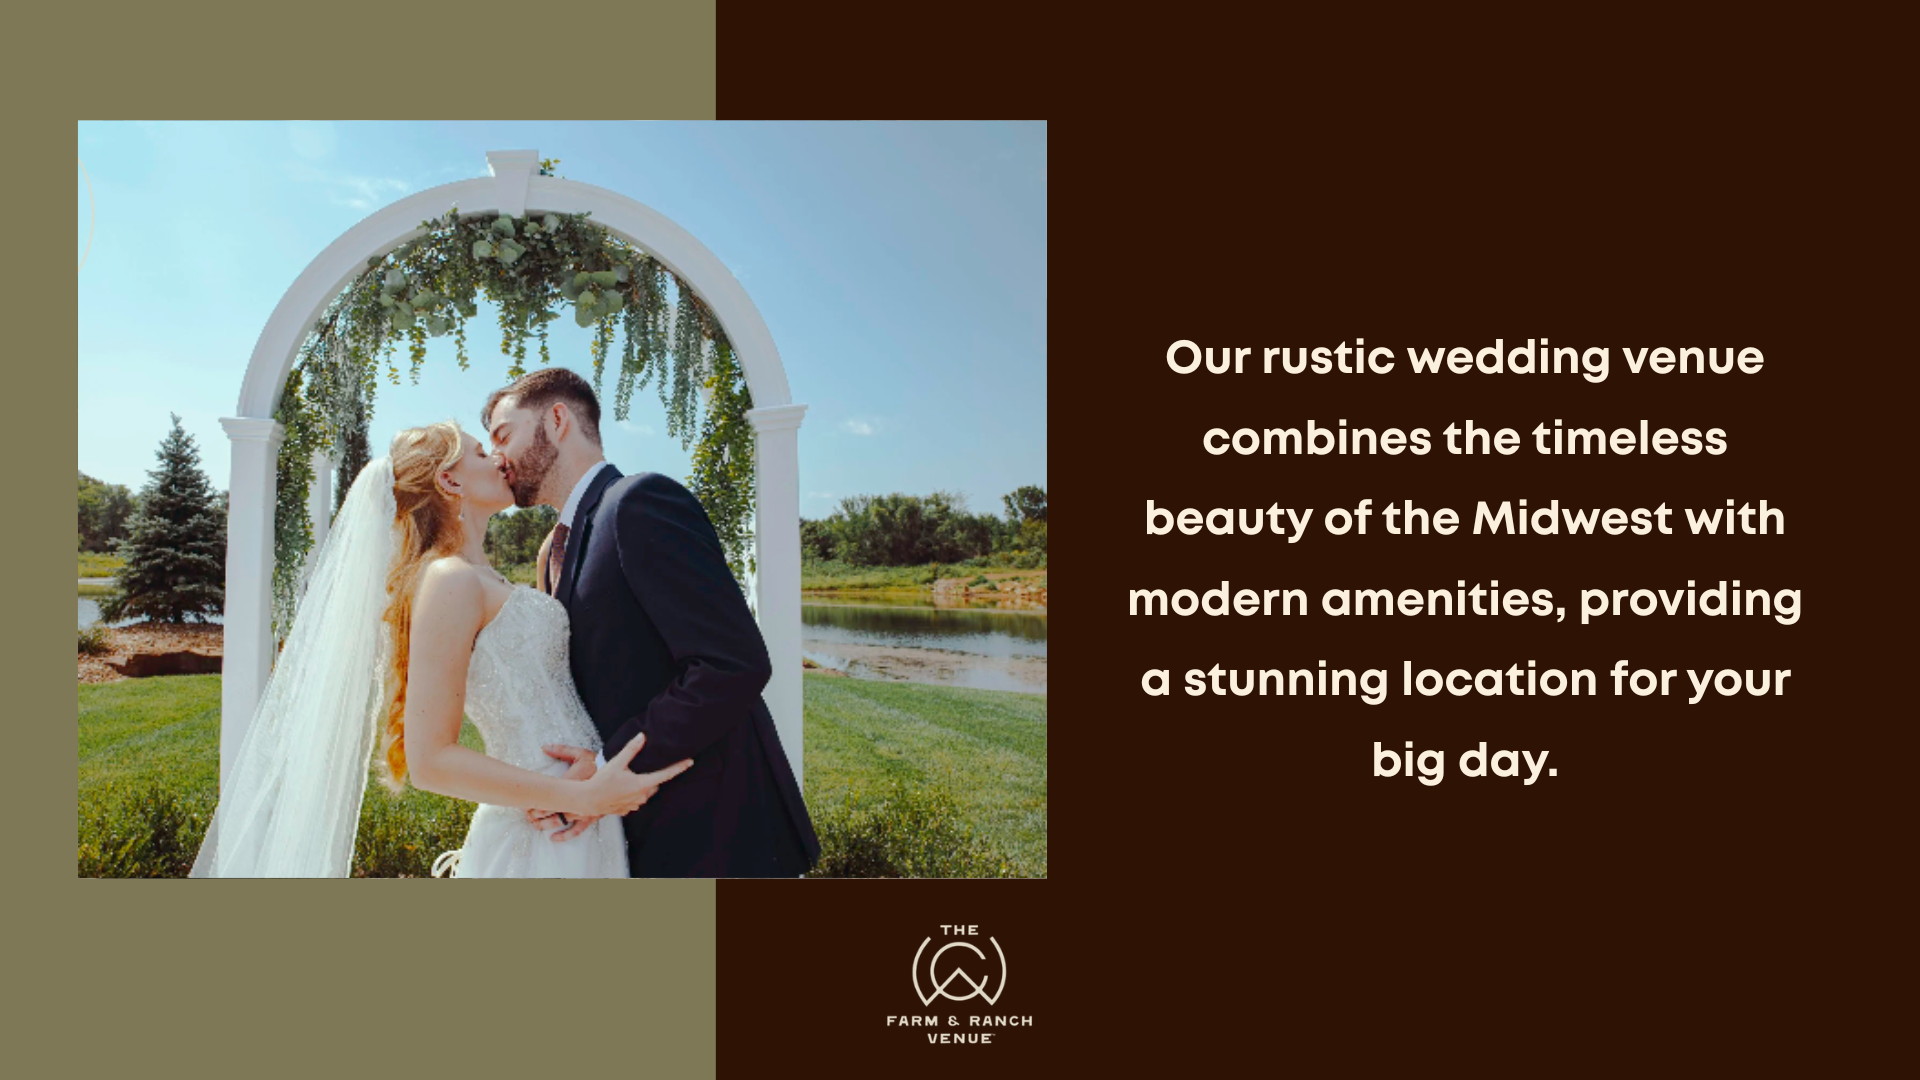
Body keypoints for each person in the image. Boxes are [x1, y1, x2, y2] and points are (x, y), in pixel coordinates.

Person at [190, 421, 692, 877]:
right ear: (450, 482)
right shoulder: (449, 580)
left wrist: (591, 780)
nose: (498, 458)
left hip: (573, 812)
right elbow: (431, 760)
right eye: (479, 452)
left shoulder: (483, 576)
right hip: (543, 825)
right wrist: (579, 795)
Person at [483, 367, 819, 877]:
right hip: (627, 834)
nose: (496, 458)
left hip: (716, 833)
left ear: (556, 419)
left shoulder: (638, 503)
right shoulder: (552, 549)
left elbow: (732, 664)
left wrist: (608, 764)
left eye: (504, 435)